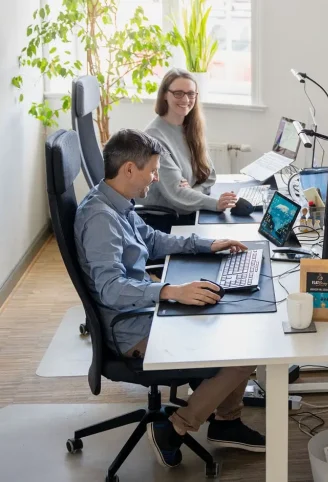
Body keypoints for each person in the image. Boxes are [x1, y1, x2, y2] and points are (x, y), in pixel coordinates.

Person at [74, 129, 265, 468]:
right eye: (153, 170)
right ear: (130, 169)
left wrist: (208, 245)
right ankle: (179, 426)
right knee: (243, 347)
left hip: (141, 310)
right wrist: (169, 291)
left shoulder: (116, 202)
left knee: (230, 314)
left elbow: (154, 241)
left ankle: (226, 422)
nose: (157, 177)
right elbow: (110, 289)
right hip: (131, 330)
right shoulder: (100, 218)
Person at [143, 68, 237, 219]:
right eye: (178, 93)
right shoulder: (154, 138)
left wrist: (193, 192)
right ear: (165, 95)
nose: (186, 100)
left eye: (191, 93)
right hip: (166, 219)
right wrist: (216, 204)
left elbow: (209, 175)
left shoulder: (190, 128)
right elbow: (177, 194)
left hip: (190, 209)